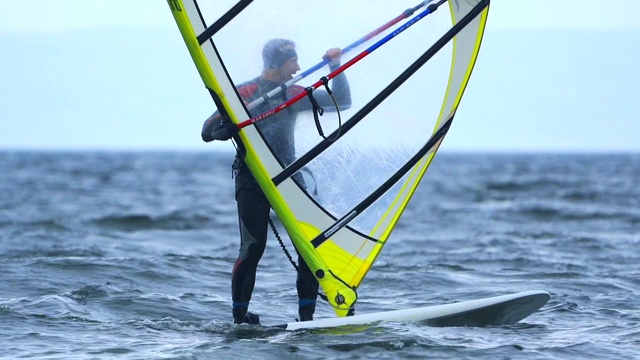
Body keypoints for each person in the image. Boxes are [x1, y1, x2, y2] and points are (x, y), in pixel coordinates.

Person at [201, 39, 352, 324]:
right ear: (278, 63)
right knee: (252, 248)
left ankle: (306, 319)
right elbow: (207, 131)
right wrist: (225, 131)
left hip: (289, 178)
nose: (297, 67)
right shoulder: (244, 94)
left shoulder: (292, 93)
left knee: (308, 248)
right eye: (293, 62)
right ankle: (240, 318)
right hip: (253, 179)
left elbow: (342, 102)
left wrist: (336, 67)